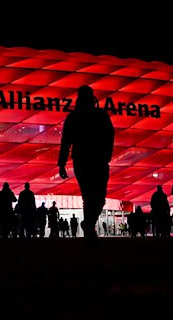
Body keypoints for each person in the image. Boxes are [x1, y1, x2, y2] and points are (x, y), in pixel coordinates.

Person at [58, 85, 115, 240]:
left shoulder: (93, 115)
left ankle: (88, 223)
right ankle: (89, 227)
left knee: (96, 197)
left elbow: (109, 135)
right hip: (90, 159)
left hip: (90, 159)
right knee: (91, 196)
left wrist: (62, 163)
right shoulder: (85, 116)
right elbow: (66, 141)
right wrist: (61, 163)